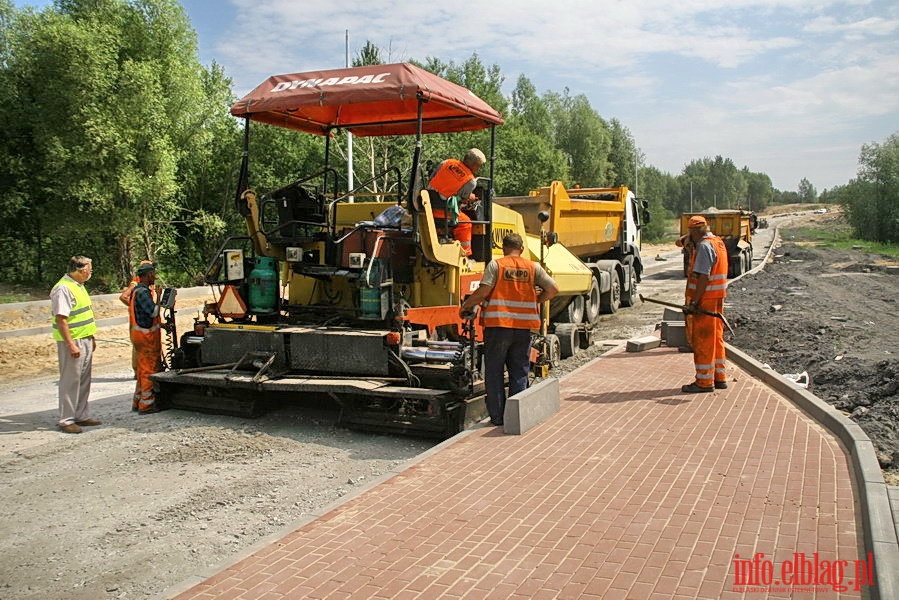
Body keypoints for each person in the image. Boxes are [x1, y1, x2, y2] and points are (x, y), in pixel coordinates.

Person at [459, 232, 559, 425]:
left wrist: (466, 306)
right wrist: (536, 299)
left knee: (495, 371)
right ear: (521, 249)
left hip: (498, 327)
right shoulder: (533, 267)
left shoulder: (496, 265)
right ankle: (517, 416)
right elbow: (553, 289)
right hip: (523, 328)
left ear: (503, 248)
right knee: (519, 371)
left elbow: (484, 291)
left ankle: (497, 417)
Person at [51, 256, 101, 433]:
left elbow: (83, 315)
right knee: (70, 380)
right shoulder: (63, 289)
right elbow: (61, 319)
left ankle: (81, 415)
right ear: (80, 270)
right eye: (89, 269)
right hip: (73, 340)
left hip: (84, 337)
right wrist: (71, 344)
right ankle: (66, 420)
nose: (91, 272)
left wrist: (91, 337)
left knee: (83, 379)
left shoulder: (78, 286)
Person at [681, 215, 729, 393]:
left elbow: (703, 276)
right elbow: (682, 242)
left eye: (690, 232)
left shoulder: (703, 246)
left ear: (695, 231)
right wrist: (687, 241)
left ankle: (704, 382)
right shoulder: (717, 242)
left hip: (705, 299)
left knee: (703, 340)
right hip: (717, 297)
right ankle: (719, 377)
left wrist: (694, 302)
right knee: (716, 337)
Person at [427, 148, 486, 257]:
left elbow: (432, 178)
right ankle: (465, 255)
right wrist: (471, 197)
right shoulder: (470, 181)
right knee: (466, 223)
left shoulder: (447, 162)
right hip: (443, 212)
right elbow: (463, 198)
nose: (479, 168)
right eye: (479, 165)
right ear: (473, 164)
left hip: (426, 207)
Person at [129, 261, 163, 414]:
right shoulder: (142, 292)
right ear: (148, 275)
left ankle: (138, 401)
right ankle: (147, 405)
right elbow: (153, 312)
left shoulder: (137, 291)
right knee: (149, 370)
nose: (155, 277)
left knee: (143, 370)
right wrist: (160, 298)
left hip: (141, 335)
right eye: (153, 274)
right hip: (146, 337)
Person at [120, 259, 155, 378]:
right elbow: (123, 296)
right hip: (139, 321)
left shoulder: (148, 285)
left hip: (143, 320)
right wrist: (135, 306)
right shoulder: (136, 283)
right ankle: (138, 372)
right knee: (139, 348)